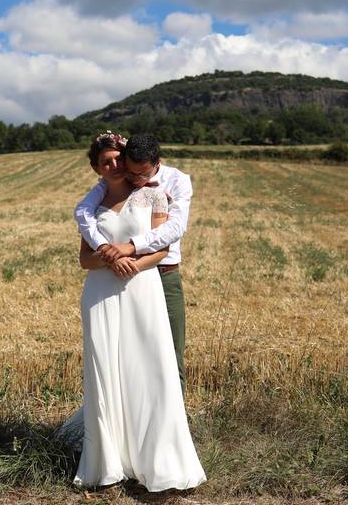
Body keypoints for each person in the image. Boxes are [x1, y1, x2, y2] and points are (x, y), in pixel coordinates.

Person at [69, 131, 205, 491]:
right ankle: (111, 458)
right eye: (107, 162)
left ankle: (160, 453)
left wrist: (130, 255)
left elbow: (169, 238)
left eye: (120, 160)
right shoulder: (93, 202)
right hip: (103, 290)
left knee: (155, 367)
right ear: (97, 168)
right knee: (107, 369)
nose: (117, 167)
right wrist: (109, 256)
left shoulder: (160, 190)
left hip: (148, 283)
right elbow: (85, 257)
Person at [74, 133, 192, 393]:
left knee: (169, 353)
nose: (136, 179)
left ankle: (172, 423)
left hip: (162, 274)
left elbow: (174, 230)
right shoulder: (109, 187)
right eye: (131, 171)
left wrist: (129, 252)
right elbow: (85, 212)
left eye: (142, 174)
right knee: (128, 356)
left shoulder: (175, 182)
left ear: (157, 162)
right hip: (119, 281)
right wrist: (110, 255)